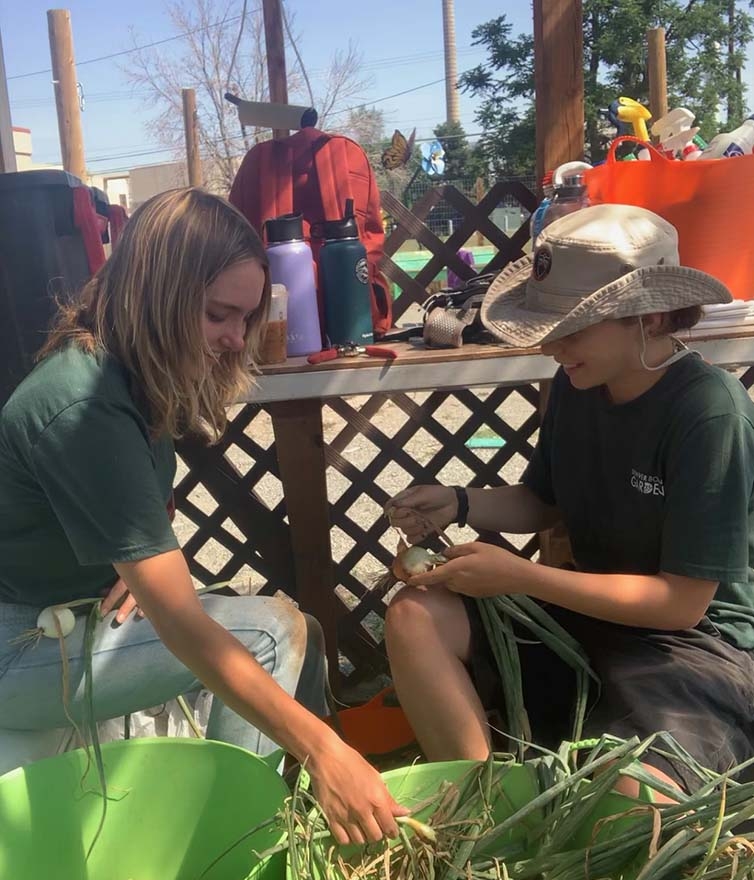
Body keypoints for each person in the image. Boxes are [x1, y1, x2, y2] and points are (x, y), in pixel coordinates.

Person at [0, 187, 406, 845]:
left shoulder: (124, 371)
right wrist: (324, 751)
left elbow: (117, 504)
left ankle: (276, 830)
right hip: (15, 650)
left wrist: (127, 557)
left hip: (62, 620)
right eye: (221, 314)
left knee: (291, 630)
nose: (236, 339)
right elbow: (184, 623)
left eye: (246, 318)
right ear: (156, 293)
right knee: (270, 634)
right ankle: (232, 852)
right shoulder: (84, 405)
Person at [385, 203, 754, 800]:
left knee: (628, 798)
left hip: (698, 649)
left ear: (651, 318)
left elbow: (682, 604)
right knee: (413, 614)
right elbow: (543, 502)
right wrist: (457, 503)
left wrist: (522, 577)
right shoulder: (580, 385)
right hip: (591, 615)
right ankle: (481, 804)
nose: (556, 346)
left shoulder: (709, 411)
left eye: (574, 328)